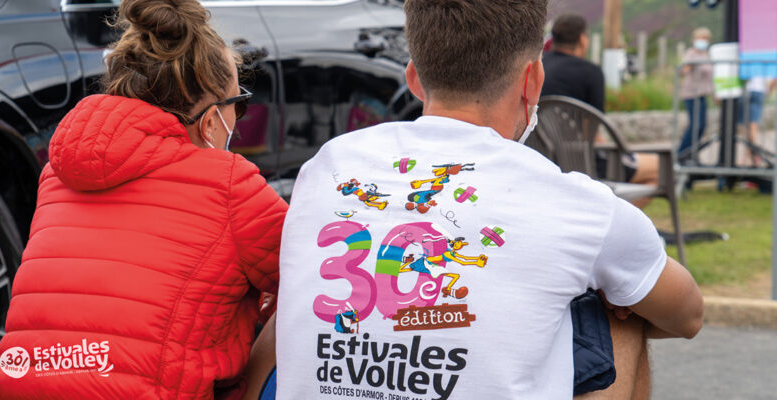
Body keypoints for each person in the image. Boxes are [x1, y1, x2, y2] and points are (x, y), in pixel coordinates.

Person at [274, 1, 703, 399]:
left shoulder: (325, 166)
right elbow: (687, 316)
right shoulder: (583, 207)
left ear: (414, 78)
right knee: (622, 306)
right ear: (532, 81)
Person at [0, 0, 287, 398]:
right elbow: (315, 276)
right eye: (239, 103)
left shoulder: (57, 176)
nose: (238, 116)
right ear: (210, 120)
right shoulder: (230, 184)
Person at [541, 14, 659, 207]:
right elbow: (592, 131)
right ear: (582, 39)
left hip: (544, 159)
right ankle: (609, 221)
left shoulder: (539, 65)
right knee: (659, 170)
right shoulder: (590, 72)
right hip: (585, 164)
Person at [678, 27, 714, 162]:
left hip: (702, 94)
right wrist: (686, 68)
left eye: (704, 38)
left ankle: (693, 153)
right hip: (691, 94)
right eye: (700, 38)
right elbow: (683, 70)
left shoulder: (706, 55)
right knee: (695, 125)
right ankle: (682, 153)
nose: (702, 41)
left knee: (701, 126)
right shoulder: (691, 54)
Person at [739, 76, 776, 166]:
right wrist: (769, 90)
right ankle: (752, 155)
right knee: (751, 126)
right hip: (757, 90)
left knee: (747, 126)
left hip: (745, 90)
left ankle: (751, 155)